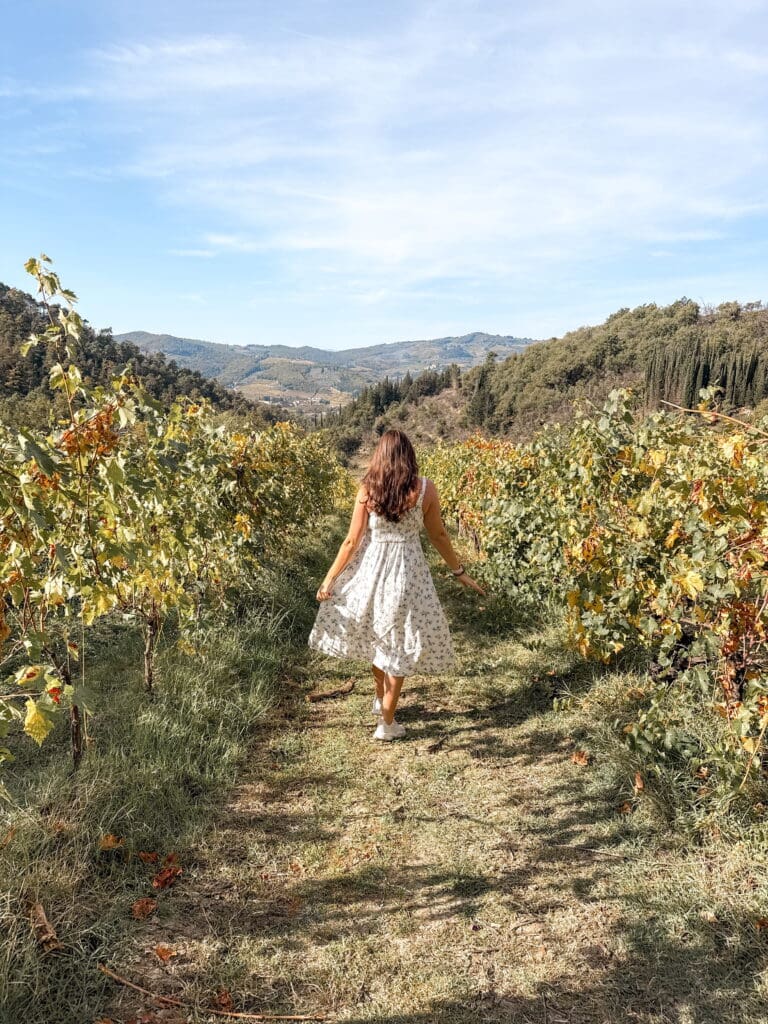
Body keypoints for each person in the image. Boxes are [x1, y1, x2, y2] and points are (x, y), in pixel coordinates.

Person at [308, 428, 485, 741]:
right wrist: (458, 571)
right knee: (399, 643)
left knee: (380, 638)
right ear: (409, 455)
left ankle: (382, 702)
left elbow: (351, 541)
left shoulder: (368, 489)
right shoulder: (425, 489)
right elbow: (438, 535)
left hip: (371, 571)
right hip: (408, 572)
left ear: (380, 455)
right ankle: (386, 722)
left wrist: (330, 578)